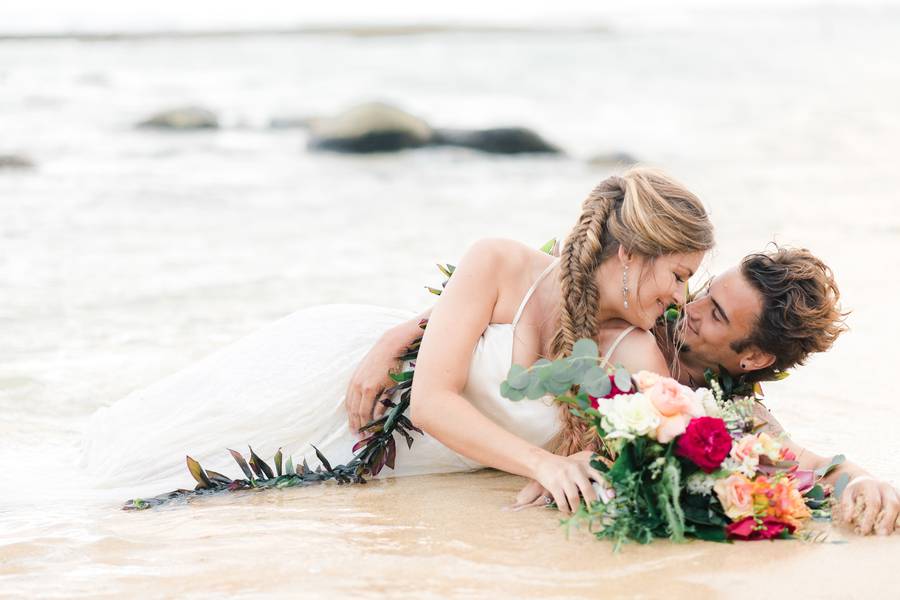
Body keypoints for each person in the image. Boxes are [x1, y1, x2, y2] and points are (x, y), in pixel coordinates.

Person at [81, 167, 714, 517]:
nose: (683, 299)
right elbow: (430, 401)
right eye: (679, 275)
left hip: (393, 461)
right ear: (629, 254)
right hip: (336, 380)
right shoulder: (498, 262)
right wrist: (543, 463)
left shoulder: (632, 352)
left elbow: (661, 441)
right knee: (142, 464)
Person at [353, 246, 900, 535]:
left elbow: (803, 464)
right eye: (704, 289)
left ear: (753, 356)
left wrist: (868, 482)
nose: (688, 305)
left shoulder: (729, 416)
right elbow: (538, 285)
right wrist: (401, 334)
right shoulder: (649, 306)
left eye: (715, 314)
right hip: (419, 375)